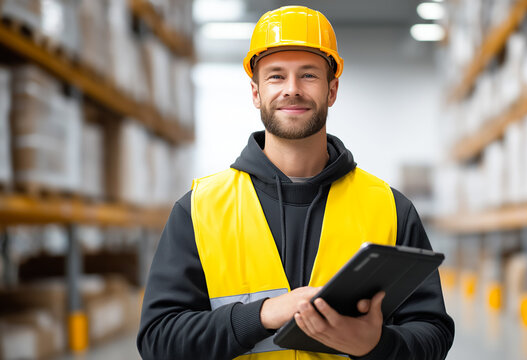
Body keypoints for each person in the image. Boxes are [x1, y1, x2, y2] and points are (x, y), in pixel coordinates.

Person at [137, 5, 454, 360]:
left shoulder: (391, 209)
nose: (292, 89)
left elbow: (433, 335)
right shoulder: (198, 209)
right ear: (255, 92)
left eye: (308, 75)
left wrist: (376, 346)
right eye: (276, 76)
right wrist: (261, 314)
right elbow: (158, 340)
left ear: (332, 90)